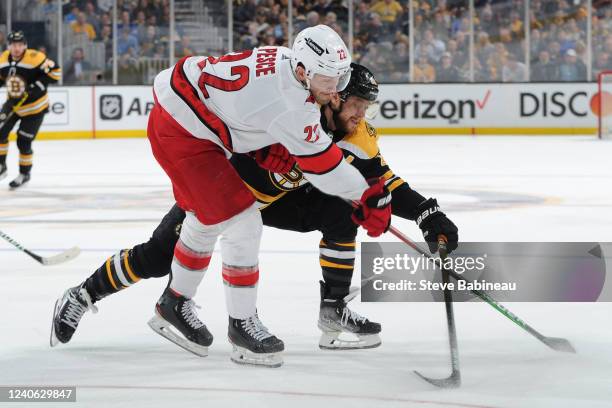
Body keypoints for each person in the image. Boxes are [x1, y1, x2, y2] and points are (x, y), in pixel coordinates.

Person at [50, 63, 458, 358]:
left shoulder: (356, 134)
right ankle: (83, 294)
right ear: (334, 96)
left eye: (367, 108)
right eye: (356, 105)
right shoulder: (290, 111)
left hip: (277, 202)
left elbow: (381, 182)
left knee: (342, 209)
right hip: (221, 193)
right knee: (158, 258)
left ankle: (333, 310)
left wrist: (427, 214)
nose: (360, 116)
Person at [68, 25, 388, 368]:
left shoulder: (287, 64)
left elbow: (242, 107)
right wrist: (365, 194)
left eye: (340, 81)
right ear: (302, 71)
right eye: (329, 80)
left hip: (195, 123)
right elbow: (325, 165)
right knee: (212, 235)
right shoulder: (297, 107)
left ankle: (175, 303)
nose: (336, 90)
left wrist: (258, 149)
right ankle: (237, 325)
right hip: (187, 135)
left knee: (215, 222)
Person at [0, 31, 62, 189]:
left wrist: (38, 86)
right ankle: (2, 166)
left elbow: (56, 72)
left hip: (35, 108)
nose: (17, 48)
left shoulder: (36, 57)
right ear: (9, 46)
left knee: (23, 141)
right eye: (14, 45)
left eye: (20, 45)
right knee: (0, 133)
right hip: (14, 105)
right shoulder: (2, 59)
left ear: (25, 45)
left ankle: (24, 173)